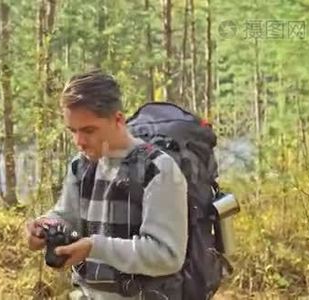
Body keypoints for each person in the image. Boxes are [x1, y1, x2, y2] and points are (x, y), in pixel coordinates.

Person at [26, 70, 188, 299]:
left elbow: (167, 255)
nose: (79, 141)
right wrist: (45, 226)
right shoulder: (80, 167)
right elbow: (66, 216)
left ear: (118, 119)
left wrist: (95, 247)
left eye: (89, 130)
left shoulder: (159, 170)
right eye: (73, 131)